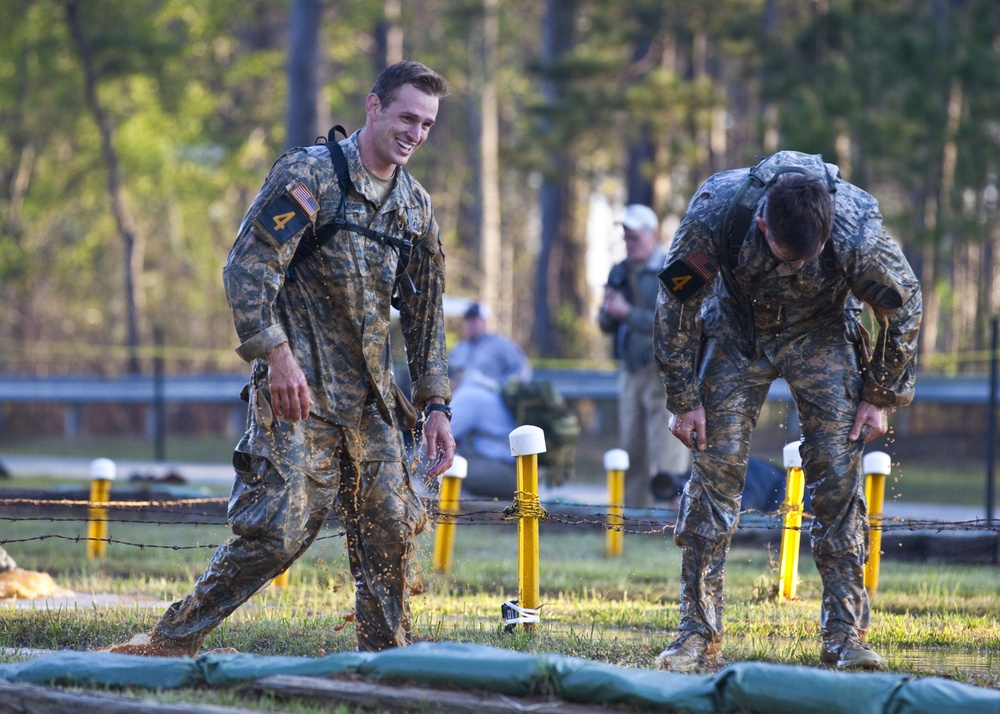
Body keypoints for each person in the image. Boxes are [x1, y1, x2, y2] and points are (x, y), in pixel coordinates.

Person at [111, 60, 455, 656]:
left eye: (426, 125)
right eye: (406, 117)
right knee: (278, 531)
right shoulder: (310, 176)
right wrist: (276, 357)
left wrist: (435, 405)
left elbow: (425, 313)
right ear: (373, 107)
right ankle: (171, 639)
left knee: (392, 530)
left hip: (371, 404)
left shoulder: (414, 207)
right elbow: (248, 266)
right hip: (299, 395)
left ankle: (383, 662)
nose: (415, 134)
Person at [653, 151, 921, 672]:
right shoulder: (717, 212)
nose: (795, 266)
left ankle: (846, 636)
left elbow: (903, 304)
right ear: (761, 223)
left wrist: (878, 394)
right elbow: (676, 303)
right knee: (714, 473)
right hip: (737, 328)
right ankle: (696, 636)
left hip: (821, 333)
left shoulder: (856, 232)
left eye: (806, 258)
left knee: (838, 478)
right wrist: (684, 399)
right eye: (784, 254)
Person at [598, 204, 690, 508]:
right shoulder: (620, 271)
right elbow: (605, 324)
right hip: (631, 371)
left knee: (667, 450)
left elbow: (677, 322)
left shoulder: (675, 268)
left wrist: (629, 313)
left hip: (665, 372)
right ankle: (634, 517)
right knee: (631, 449)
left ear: (652, 235)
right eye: (626, 237)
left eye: (635, 237)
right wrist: (609, 311)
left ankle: (667, 518)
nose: (629, 243)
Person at [445, 367, 518, 499]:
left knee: (428, 456)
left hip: (505, 472)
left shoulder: (469, 395)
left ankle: (455, 503)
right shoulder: (483, 387)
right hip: (515, 469)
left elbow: (437, 435)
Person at [448, 303, 532, 385]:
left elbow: (522, 369)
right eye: (467, 320)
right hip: (462, 395)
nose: (470, 324)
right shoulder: (459, 348)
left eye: (474, 320)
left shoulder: (500, 344)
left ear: (484, 321)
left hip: (492, 394)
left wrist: (506, 387)